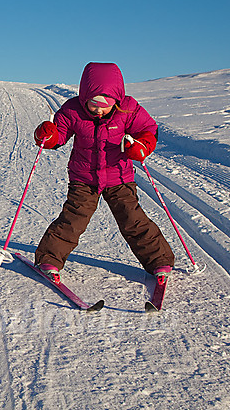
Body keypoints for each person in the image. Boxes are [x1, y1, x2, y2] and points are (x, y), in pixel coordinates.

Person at [32, 62, 174, 283]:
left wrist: (141, 146)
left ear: (116, 100)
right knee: (73, 219)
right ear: (84, 97)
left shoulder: (129, 109)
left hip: (119, 177)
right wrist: (47, 135)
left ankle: (159, 261)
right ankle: (49, 259)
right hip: (84, 178)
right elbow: (57, 136)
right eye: (93, 104)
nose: (99, 110)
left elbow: (148, 130)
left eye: (105, 105)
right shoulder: (72, 110)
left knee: (132, 218)